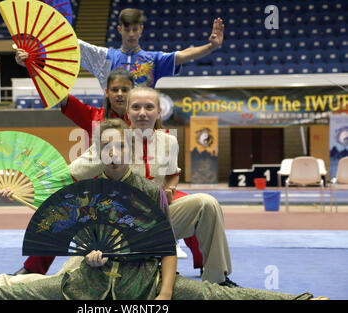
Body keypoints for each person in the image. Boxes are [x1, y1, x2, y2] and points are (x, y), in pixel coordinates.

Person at [0, 119, 322, 300]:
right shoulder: (89, 188)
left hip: (140, 281)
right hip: (89, 274)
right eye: (105, 147)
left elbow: (163, 245)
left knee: (212, 296)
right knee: (26, 291)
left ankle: (301, 298)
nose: (112, 153)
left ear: (128, 149)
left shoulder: (148, 190)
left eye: (119, 146)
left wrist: (162, 293)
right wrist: (85, 253)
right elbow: (58, 215)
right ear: (98, 151)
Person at [67, 86, 237, 287]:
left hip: (157, 219)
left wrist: (170, 191)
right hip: (120, 227)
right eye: (136, 107)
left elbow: (172, 174)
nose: (142, 113)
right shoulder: (114, 140)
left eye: (149, 107)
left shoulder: (169, 141)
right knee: (69, 281)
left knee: (206, 203)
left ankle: (217, 281)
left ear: (158, 111)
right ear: (127, 112)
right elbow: (72, 174)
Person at [16, 8, 224, 89]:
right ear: (119, 29)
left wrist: (211, 46)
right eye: (127, 29)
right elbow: (68, 47)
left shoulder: (154, 59)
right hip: (109, 126)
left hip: (144, 126)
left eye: (135, 29)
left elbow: (182, 55)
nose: (132, 34)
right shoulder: (104, 57)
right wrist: (31, 57)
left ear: (141, 30)